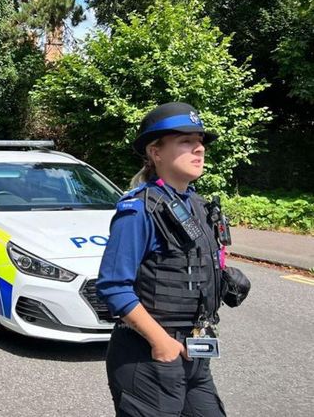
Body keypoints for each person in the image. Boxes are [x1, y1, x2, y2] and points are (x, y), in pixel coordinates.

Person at [96, 102, 250, 416]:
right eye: (186, 141)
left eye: (200, 141)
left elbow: (187, 266)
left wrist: (221, 278)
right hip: (149, 354)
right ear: (156, 152)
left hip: (195, 355)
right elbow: (113, 287)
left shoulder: (200, 206)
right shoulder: (138, 210)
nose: (199, 149)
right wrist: (161, 342)